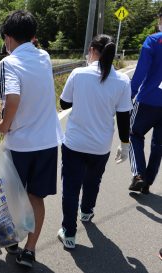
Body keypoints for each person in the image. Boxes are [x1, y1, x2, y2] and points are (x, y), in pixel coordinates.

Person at [0, 10, 63, 268]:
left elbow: (12, 98)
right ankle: (30, 249)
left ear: (8, 37)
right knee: (36, 197)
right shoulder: (44, 56)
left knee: (13, 195)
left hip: (20, 143)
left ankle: (11, 239)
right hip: (47, 141)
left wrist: (4, 124)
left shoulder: (8, 63)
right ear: (33, 36)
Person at [58, 34, 132, 249]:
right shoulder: (122, 80)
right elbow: (123, 116)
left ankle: (69, 234)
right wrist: (125, 144)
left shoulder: (79, 73)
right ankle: (87, 212)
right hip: (100, 146)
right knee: (93, 181)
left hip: (74, 143)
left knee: (70, 188)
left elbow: (64, 104)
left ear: (91, 50)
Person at [128, 9, 162, 194]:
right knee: (159, 145)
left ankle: (139, 175)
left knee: (134, 134)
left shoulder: (153, 40)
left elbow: (141, 70)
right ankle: (147, 182)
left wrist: (131, 94)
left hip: (148, 99)